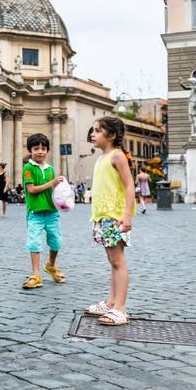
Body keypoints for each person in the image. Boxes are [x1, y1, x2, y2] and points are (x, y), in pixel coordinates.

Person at [84, 117, 136, 326]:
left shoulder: (117, 156)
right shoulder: (101, 158)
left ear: (111, 135)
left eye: (97, 131)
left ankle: (120, 309)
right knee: (112, 261)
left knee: (118, 261)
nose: (92, 134)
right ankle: (111, 301)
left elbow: (130, 185)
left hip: (114, 217)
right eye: (93, 130)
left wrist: (127, 215)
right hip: (102, 216)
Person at [21, 133, 66, 290]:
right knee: (34, 242)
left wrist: (63, 193)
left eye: (43, 148)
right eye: (36, 148)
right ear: (30, 150)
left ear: (47, 150)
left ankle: (51, 266)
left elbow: (54, 191)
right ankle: (36, 274)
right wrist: (52, 182)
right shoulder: (28, 168)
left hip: (52, 212)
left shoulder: (51, 169)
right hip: (35, 213)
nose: (40, 151)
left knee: (56, 242)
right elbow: (31, 190)